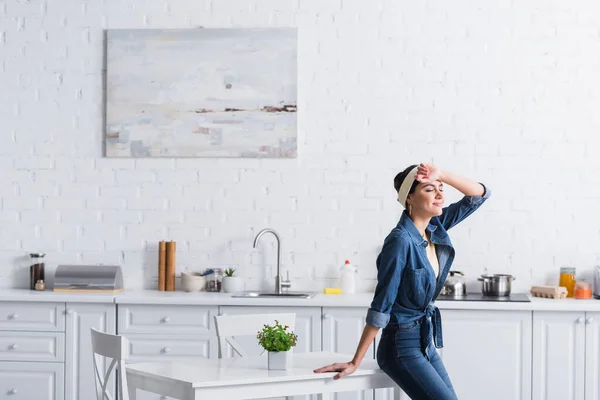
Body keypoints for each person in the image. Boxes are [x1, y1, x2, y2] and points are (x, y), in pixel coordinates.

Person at [314, 163, 491, 400]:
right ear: (409, 198)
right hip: (401, 346)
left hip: (424, 341)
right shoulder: (399, 242)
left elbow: (479, 195)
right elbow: (381, 306)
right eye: (430, 190)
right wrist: (355, 361)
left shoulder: (435, 227)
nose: (440, 195)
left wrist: (443, 175)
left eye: (441, 189)